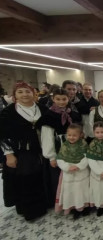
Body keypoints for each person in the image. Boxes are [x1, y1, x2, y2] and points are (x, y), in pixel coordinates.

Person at [0, 82, 49, 221]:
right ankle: (28, 211)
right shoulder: (8, 111)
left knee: (39, 179)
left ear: (33, 93)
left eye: (27, 91)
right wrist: (9, 154)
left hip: (40, 150)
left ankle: (41, 206)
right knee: (25, 180)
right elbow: (2, 135)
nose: (24, 95)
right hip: (21, 152)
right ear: (15, 95)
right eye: (20, 92)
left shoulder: (42, 108)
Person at [39, 88, 81, 207]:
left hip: (73, 147)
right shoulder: (49, 115)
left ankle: (75, 201)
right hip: (58, 148)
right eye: (58, 99)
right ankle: (63, 202)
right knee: (60, 178)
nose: (61, 102)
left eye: (64, 99)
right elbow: (47, 137)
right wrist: (51, 156)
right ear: (53, 99)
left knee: (73, 176)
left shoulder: (70, 113)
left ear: (68, 99)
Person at [55, 124, 90, 219]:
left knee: (82, 190)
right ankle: (75, 208)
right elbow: (59, 158)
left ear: (80, 135)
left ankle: (85, 207)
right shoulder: (64, 145)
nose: (71, 137)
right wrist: (67, 167)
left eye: (74, 135)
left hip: (81, 172)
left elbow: (88, 156)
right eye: (69, 135)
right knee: (72, 191)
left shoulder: (83, 144)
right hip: (69, 172)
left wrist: (79, 166)